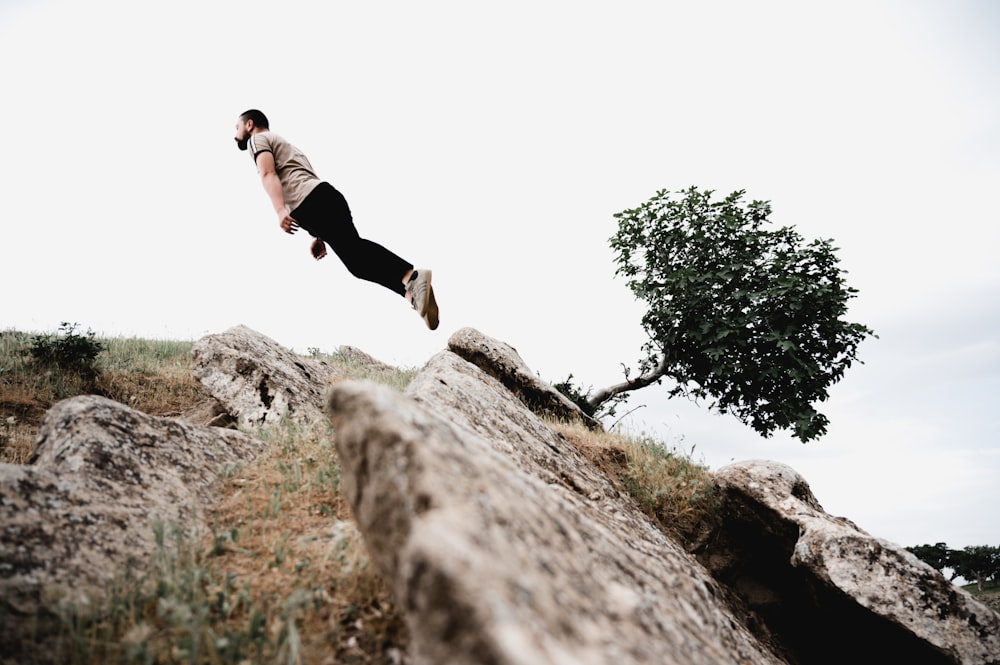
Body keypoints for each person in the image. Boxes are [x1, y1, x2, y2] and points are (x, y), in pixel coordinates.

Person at [233, 109, 439, 330]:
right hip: (324, 198)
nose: (235, 133)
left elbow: (268, 174)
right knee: (357, 261)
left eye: (237, 127)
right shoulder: (286, 145)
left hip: (314, 202)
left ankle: (412, 276)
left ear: (249, 124)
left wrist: (280, 210)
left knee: (356, 254)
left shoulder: (258, 139)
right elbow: (302, 180)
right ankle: (412, 294)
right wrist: (318, 235)